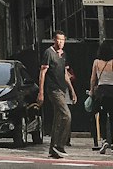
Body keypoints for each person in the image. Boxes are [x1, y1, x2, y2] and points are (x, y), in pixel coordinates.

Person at [38, 30, 76, 159]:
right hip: (53, 89)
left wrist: (72, 90)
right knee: (67, 115)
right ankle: (59, 145)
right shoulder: (49, 53)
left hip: (62, 89)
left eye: (63, 40)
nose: (61, 42)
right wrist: (41, 92)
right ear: (54, 40)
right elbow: (42, 72)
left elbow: (65, 74)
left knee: (58, 118)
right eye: (58, 40)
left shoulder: (64, 55)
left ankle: (53, 148)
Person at [89, 39, 113, 154]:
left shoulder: (96, 62)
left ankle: (103, 139)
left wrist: (91, 90)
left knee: (101, 116)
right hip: (112, 90)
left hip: (101, 91)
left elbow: (93, 79)